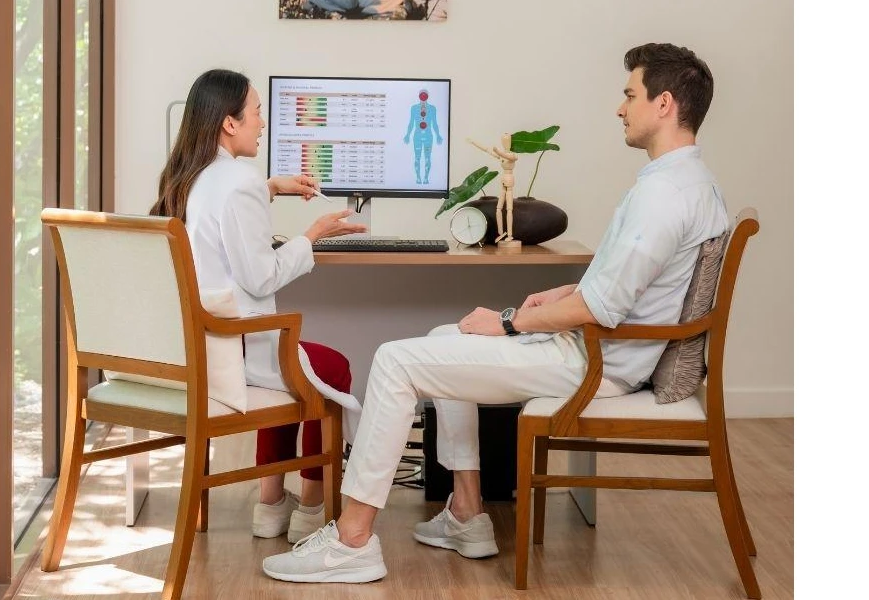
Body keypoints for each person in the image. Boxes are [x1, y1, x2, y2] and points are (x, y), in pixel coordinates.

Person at [261, 42, 726, 584]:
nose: (620, 108)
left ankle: (352, 541)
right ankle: (467, 513)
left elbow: (604, 305)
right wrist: (555, 294)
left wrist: (505, 322)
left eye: (630, 95)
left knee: (393, 361)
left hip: (595, 365)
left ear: (664, 103)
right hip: (599, 349)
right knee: (443, 332)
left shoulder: (664, 195)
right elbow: (626, 283)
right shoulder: (690, 184)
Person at [149, 68, 366, 544]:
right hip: (235, 353)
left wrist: (270, 187)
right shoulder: (238, 181)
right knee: (330, 369)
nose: (262, 123)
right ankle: (311, 508)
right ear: (230, 123)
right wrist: (313, 236)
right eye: (257, 112)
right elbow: (262, 275)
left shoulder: (187, 178)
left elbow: (221, 216)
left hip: (198, 348)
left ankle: (270, 505)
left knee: (290, 357)